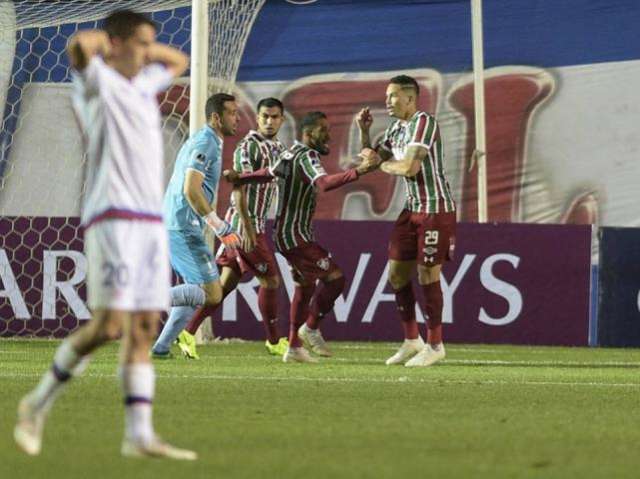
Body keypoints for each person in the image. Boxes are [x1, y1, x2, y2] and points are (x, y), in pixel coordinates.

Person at [14, 11, 195, 459]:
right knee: (109, 326)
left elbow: (179, 60)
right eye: (139, 43)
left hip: (149, 220)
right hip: (112, 216)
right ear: (115, 44)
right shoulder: (96, 81)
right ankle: (35, 404)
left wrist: (144, 47)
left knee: (146, 325)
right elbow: (78, 46)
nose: (148, 52)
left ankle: (139, 435)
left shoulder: (143, 82)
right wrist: (110, 44)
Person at [225, 111, 379, 363]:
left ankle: (294, 346)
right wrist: (358, 171)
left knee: (305, 286)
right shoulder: (307, 155)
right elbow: (323, 184)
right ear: (308, 134)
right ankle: (310, 328)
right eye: (323, 130)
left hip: (289, 234)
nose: (329, 135)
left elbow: (267, 173)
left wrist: (239, 177)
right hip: (294, 237)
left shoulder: (290, 153)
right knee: (335, 279)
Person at [357, 75, 456, 367]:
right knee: (397, 275)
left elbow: (410, 168)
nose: (387, 101)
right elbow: (371, 160)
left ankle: (436, 344)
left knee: (428, 275)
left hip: (435, 209)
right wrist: (365, 133)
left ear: (411, 99)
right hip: (411, 209)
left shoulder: (424, 122)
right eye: (387, 96)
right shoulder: (396, 128)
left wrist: (381, 164)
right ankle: (412, 340)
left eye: (393, 96)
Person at [178, 98, 289, 358]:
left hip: (253, 224)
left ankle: (188, 332)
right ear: (258, 118)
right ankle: (274, 341)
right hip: (244, 225)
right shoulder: (247, 146)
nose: (270, 122)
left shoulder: (279, 148)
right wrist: (248, 231)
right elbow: (238, 189)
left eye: (275, 117)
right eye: (265, 117)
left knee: (224, 287)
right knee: (271, 281)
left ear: (282, 119)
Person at [151, 93, 241, 360]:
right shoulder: (206, 142)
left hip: (179, 222)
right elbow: (191, 189)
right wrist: (219, 226)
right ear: (216, 117)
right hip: (182, 224)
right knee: (212, 294)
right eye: (232, 113)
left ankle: (161, 347)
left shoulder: (208, 139)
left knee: (195, 290)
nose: (237, 117)